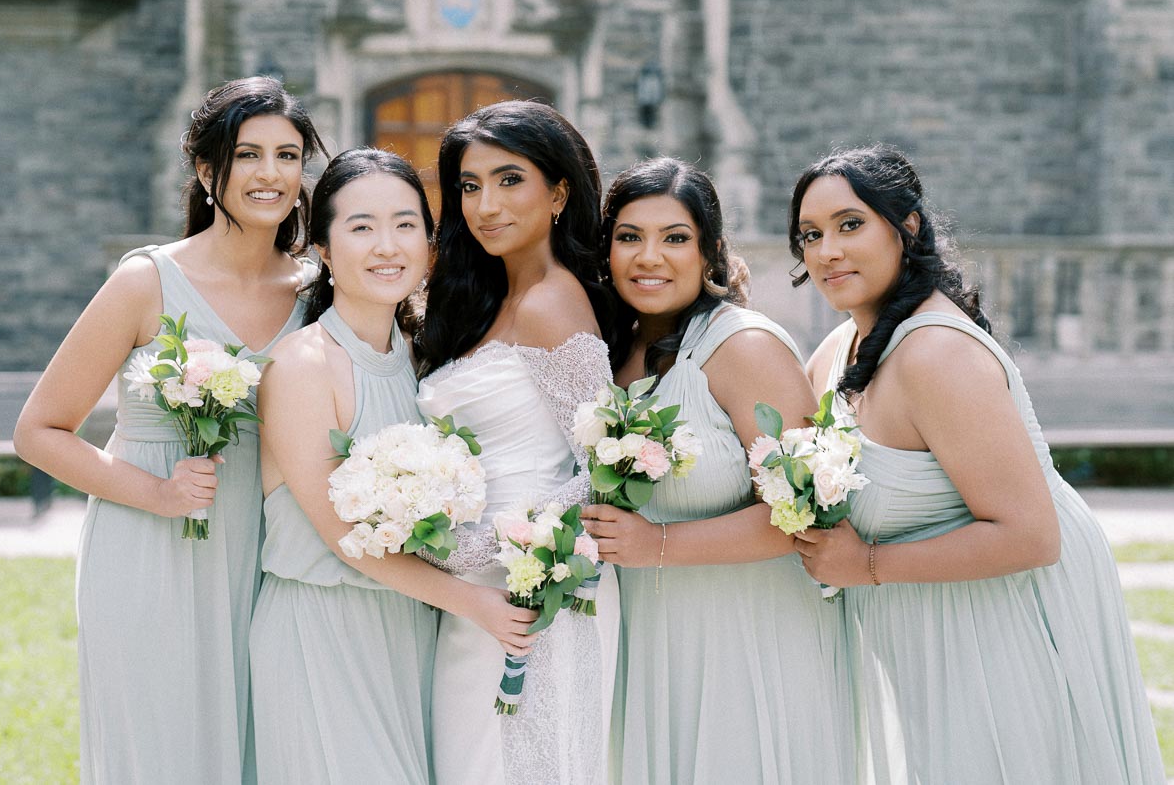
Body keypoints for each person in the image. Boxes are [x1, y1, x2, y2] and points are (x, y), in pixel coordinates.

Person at [790, 145, 1162, 784]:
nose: (827, 250)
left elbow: (1033, 535)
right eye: (810, 234)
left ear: (906, 228)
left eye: (850, 225)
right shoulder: (836, 351)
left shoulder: (935, 354)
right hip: (924, 632)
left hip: (1001, 626)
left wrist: (866, 565)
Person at [13, 76, 324, 784]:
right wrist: (156, 495)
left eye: (287, 154)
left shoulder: (315, 292)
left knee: (265, 752)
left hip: (269, 555)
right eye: (248, 155)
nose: (270, 173)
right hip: (150, 548)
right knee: (159, 751)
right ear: (207, 169)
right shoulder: (145, 281)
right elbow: (39, 431)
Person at [252, 148, 540, 784]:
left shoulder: (424, 360)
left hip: (412, 629)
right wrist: (480, 605)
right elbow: (343, 538)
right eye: (361, 227)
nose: (388, 246)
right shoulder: (303, 365)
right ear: (323, 247)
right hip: (324, 630)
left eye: (406, 224)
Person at [581, 157, 854, 784]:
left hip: (750, 635)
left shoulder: (744, 347)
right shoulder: (609, 351)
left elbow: (807, 514)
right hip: (652, 638)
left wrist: (658, 543)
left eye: (675, 238)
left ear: (709, 253)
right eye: (630, 237)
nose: (649, 256)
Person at [414, 100, 620, 784]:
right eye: (469, 186)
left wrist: (499, 544)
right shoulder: (485, 298)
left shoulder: (552, 301)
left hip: (537, 588)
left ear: (559, 192)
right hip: (473, 590)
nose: (484, 205)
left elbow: (604, 466)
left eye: (509, 180)